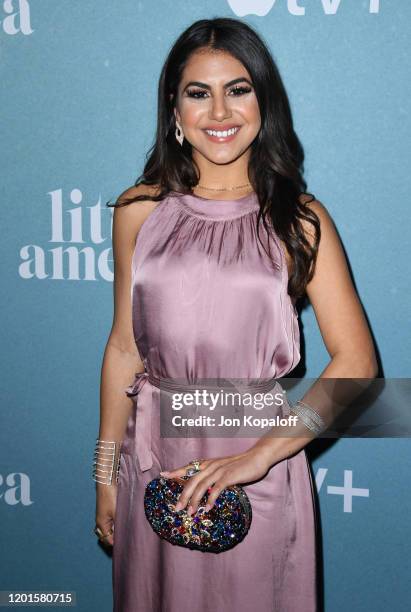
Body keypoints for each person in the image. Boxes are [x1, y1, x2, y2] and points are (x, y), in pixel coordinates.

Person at [93, 17, 377, 612]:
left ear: (263, 102)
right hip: (155, 466)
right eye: (199, 92)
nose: (219, 111)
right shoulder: (138, 210)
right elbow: (124, 346)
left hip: (258, 462)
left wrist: (261, 455)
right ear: (173, 107)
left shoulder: (300, 220)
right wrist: (104, 474)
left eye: (238, 89)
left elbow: (356, 364)